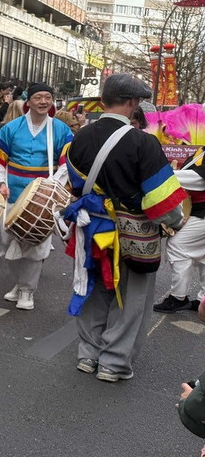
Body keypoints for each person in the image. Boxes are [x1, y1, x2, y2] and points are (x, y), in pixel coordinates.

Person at [64, 73, 186, 382]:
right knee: (130, 297)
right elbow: (162, 201)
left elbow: (75, 186)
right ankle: (113, 362)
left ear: (104, 100)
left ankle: (87, 355)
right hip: (133, 233)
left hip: (91, 229)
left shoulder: (79, 138)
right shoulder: (142, 142)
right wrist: (175, 223)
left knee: (93, 289)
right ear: (131, 103)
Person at [0, 83, 72, 310]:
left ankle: (27, 291)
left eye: (48, 97)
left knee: (35, 246)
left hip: (42, 199)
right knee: (8, 244)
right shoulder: (11, 128)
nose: (43, 102)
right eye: (38, 97)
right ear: (28, 102)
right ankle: (19, 283)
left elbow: (66, 163)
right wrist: (1, 183)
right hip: (13, 194)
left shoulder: (60, 129)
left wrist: (51, 188)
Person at [154, 147, 205, 314]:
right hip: (199, 211)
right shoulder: (201, 151)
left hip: (202, 213)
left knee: (177, 245)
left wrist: (166, 175)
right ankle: (202, 300)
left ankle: (177, 298)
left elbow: (199, 179)